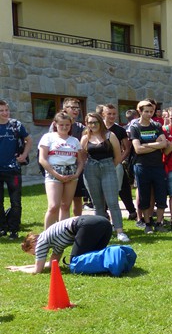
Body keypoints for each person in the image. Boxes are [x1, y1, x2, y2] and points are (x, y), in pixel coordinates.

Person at [80, 112, 129, 243]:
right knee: (97, 203)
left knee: (112, 202)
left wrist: (108, 166)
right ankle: (101, 231)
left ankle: (120, 231)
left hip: (108, 168)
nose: (93, 125)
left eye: (95, 122)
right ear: (87, 124)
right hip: (91, 170)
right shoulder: (85, 138)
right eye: (90, 122)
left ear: (100, 122)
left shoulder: (110, 135)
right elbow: (82, 156)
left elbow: (118, 156)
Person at [7, 215, 112, 274]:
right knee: (96, 256)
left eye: (34, 253)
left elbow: (37, 270)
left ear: (32, 244)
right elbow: (52, 264)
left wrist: (20, 270)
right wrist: (20, 267)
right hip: (104, 222)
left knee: (76, 264)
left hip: (86, 225)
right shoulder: (54, 241)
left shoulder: (41, 242)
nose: (37, 255)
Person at [129, 100, 169, 234]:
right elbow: (138, 149)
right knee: (144, 196)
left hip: (157, 166)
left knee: (161, 195)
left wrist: (146, 145)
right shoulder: (135, 128)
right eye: (146, 111)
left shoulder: (156, 125)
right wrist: (155, 144)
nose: (149, 114)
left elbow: (164, 144)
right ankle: (147, 224)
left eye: (151, 111)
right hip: (142, 166)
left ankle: (159, 223)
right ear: (140, 111)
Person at [40, 111, 83, 229]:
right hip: (54, 172)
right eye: (61, 125)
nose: (64, 127)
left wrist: (77, 174)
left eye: (67, 125)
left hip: (71, 173)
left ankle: (62, 233)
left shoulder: (74, 140)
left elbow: (80, 161)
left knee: (65, 206)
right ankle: (47, 235)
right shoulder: (48, 137)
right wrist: (56, 174)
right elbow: (42, 159)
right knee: (53, 206)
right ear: (55, 124)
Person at [49, 98, 88, 216]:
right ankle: (58, 224)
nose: (76, 110)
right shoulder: (56, 125)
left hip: (76, 168)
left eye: (78, 108)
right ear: (65, 109)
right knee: (58, 202)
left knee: (77, 198)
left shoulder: (81, 127)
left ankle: (78, 223)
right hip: (58, 168)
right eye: (73, 108)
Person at [0, 100, 31, 240]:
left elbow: (29, 140)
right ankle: (2, 228)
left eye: (6, 110)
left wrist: (24, 155)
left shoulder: (16, 125)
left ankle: (14, 230)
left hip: (13, 170)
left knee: (16, 202)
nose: (5, 113)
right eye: (1, 111)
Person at [102, 104, 136, 220]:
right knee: (103, 189)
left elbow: (127, 148)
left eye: (114, 114)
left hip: (116, 164)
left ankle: (132, 211)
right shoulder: (98, 128)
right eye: (109, 114)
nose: (112, 116)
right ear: (103, 114)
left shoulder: (120, 130)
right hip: (100, 163)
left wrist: (118, 161)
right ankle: (104, 213)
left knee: (123, 188)